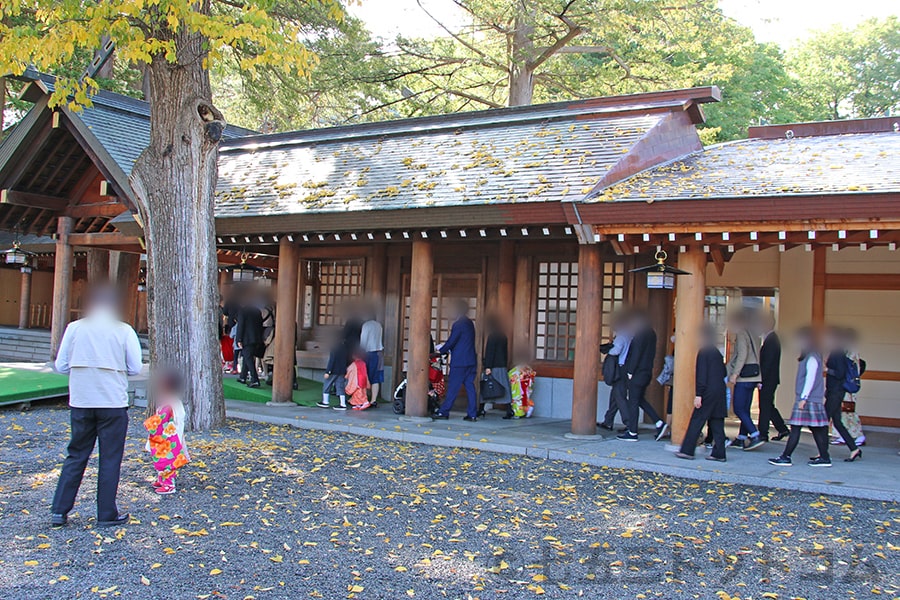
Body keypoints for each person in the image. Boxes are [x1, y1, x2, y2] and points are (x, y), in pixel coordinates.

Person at [50, 285, 143, 528]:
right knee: (110, 458)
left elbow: (61, 365)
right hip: (112, 401)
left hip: (81, 399)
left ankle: (59, 510)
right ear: (114, 305)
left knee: (76, 454)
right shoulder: (123, 331)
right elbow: (134, 367)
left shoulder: (75, 328)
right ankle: (106, 512)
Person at [768, 327, 832, 468]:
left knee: (796, 428)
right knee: (816, 429)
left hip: (807, 399)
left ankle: (786, 456)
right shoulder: (813, 356)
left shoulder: (811, 358)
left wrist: (803, 398)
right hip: (812, 399)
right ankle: (825, 457)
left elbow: (810, 379)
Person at [675, 324, 728, 461]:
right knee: (717, 422)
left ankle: (687, 450)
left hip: (708, 391)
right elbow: (724, 372)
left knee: (697, 420)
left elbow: (701, 376)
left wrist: (699, 394)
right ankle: (719, 453)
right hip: (720, 389)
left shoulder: (704, 352)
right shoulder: (716, 352)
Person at [617, 311, 666, 442]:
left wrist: (630, 372)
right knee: (639, 400)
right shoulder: (651, 334)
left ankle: (632, 431)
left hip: (637, 373)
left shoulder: (640, 334)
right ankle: (659, 423)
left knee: (633, 401)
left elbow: (636, 354)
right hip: (646, 371)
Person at [143, 370, 190, 495]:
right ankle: (162, 480)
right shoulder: (174, 402)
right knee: (164, 460)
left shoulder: (170, 404)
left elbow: (161, 419)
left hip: (167, 438)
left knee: (165, 461)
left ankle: (169, 485)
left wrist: (149, 424)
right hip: (170, 436)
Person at [434, 299, 479, 421]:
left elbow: (452, 341)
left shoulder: (458, 324)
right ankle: (473, 413)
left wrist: (441, 350)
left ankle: (444, 411)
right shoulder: (470, 323)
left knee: (453, 387)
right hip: (471, 360)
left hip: (460, 361)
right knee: (470, 386)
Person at [726, 311, 765, 451]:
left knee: (738, 408)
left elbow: (742, 354)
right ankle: (742, 437)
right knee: (745, 409)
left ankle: (755, 434)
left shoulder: (742, 334)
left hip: (744, 377)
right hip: (754, 376)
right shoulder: (754, 334)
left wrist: (734, 374)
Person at [824, 327, 863, 462]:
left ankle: (822, 452)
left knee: (823, 421)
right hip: (836, 391)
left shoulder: (838, 352)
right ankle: (854, 448)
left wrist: (827, 370)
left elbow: (840, 373)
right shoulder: (839, 351)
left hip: (835, 391)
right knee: (837, 421)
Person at [831, 328, 866, 448]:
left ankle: (857, 434)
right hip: (846, 383)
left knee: (848, 410)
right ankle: (844, 434)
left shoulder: (849, 349)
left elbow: (846, 367)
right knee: (843, 411)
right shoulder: (849, 348)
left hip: (846, 384)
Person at [757, 314, 790, 442]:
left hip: (768, 379)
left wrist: (761, 379)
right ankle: (782, 429)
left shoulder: (771, 340)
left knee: (764, 406)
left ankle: (763, 433)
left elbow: (767, 363)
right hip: (771, 379)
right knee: (769, 405)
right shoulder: (771, 339)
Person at [598, 312, 630, 431]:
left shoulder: (622, 336)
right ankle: (608, 421)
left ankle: (629, 423)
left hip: (621, 368)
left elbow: (615, 351)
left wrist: (608, 348)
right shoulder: (628, 335)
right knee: (615, 397)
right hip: (624, 368)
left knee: (620, 396)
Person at [482, 313, 512, 417]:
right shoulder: (503, 335)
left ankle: (482, 409)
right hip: (502, 365)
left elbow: (490, 352)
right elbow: (505, 352)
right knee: (504, 388)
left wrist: (487, 366)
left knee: (487, 387)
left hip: (493, 366)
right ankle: (509, 410)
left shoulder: (492, 336)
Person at [235, 288, 264, 388]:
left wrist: (238, 339)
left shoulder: (243, 311)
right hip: (256, 338)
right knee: (248, 357)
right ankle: (243, 377)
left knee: (248, 358)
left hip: (246, 339)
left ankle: (254, 379)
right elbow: (261, 325)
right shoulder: (257, 311)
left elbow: (241, 326)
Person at [360, 307, 385, 407]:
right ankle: (373, 400)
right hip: (378, 353)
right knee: (376, 377)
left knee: (364, 376)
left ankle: (364, 398)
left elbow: (363, 340)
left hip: (367, 353)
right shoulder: (379, 325)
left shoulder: (366, 325)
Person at [319, 329, 348, 411]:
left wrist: (328, 371)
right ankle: (342, 404)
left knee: (327, 385)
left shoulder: (334, 348)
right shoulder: (345, 347)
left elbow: (332, 360)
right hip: (342, 371)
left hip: (333, 371)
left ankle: (325, 402)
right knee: (340, 387)